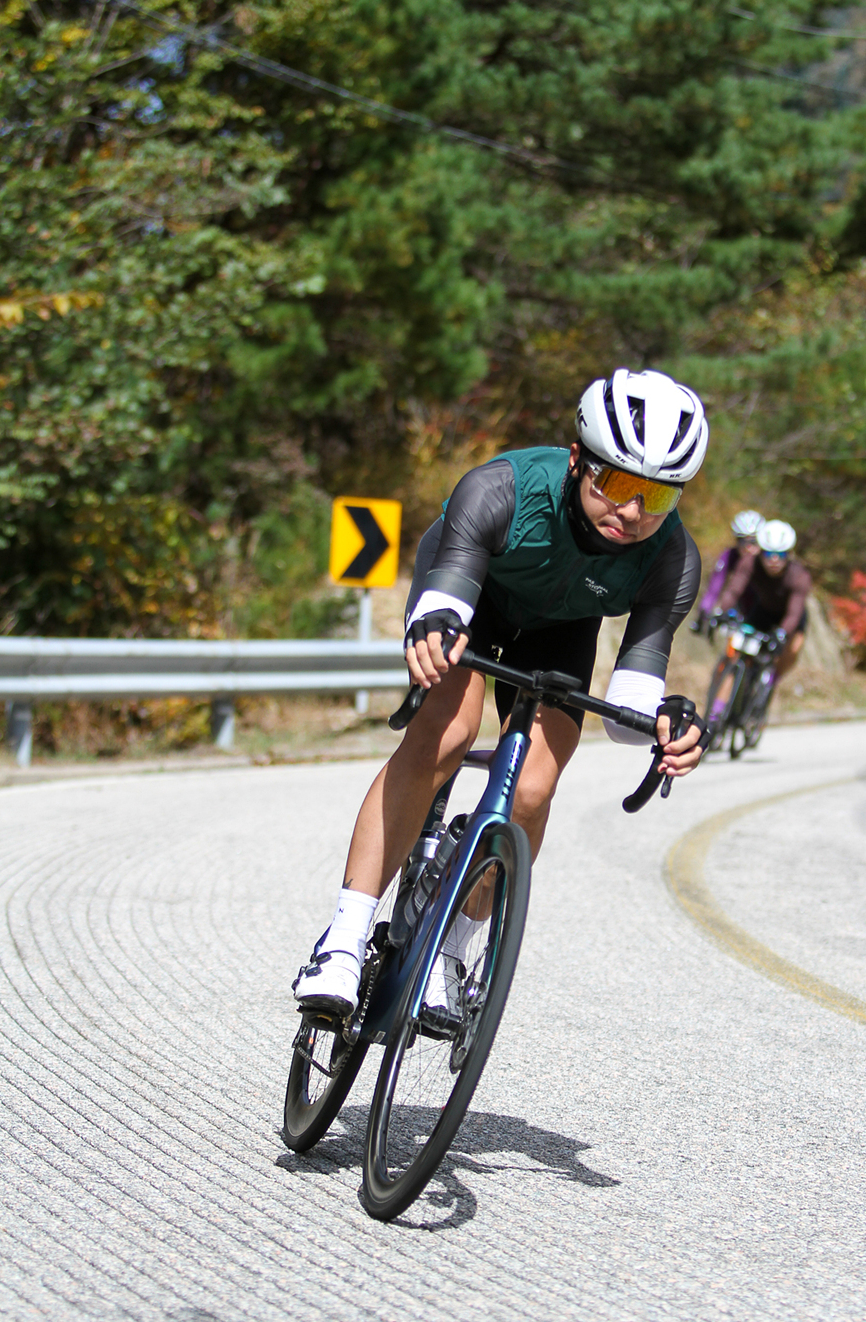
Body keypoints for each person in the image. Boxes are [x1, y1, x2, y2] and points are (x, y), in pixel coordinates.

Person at [293, 368, 711, 1019]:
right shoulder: (501, 489)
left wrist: (668, 724)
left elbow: (627, 712)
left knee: (533, 790)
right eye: (617, 484)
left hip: (562, 630)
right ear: (578, 461)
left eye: (656, 496)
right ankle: (342, 939)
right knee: (448, 734)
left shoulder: (673, 559)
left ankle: (453, 945)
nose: (633, 512)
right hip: (470, 597)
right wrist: (433, 630)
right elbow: (447, 600)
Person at [714, 518, 810, 678]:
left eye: (781, 554)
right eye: (768, 553)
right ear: (760, 552)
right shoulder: (749, 563)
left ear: (789, 554)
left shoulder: (800, 577)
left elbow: (794, 614)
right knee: (738, 652)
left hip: (791, 617)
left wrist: (782, 633)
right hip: (764, 610)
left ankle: (771, 681)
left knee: (791, 651)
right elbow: (733, 590)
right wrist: (720, 610)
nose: (774, 560)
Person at [693, 510, 764, 632]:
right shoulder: (729, 555)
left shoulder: (768, 561)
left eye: (753, 541)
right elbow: (714, 587)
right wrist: (704, 612)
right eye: (742, 541)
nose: (748, 547)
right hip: (738, 606)